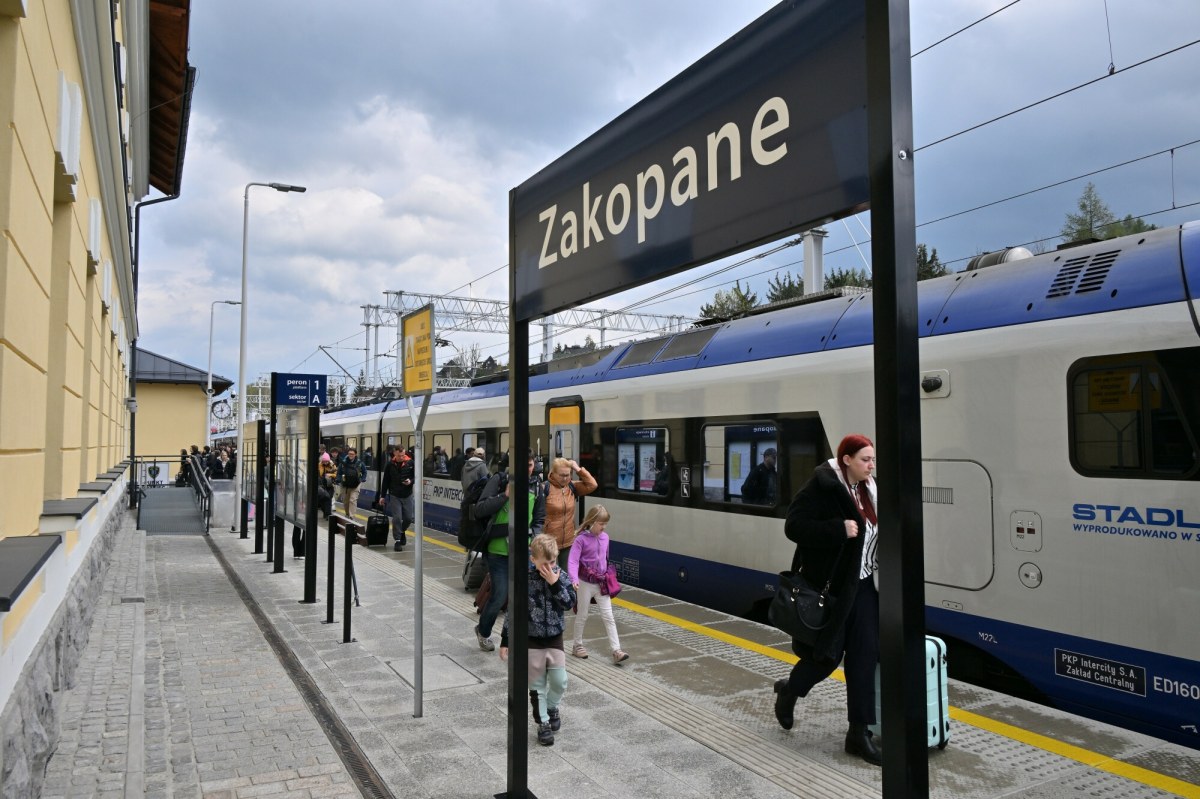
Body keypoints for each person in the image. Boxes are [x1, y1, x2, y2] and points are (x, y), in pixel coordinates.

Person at [772, 434, 881, 766]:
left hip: (864, 586)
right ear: (846, 459)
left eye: (873, 459)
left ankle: (858, 734)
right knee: (827, 657)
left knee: (864, 656)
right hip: (832, 589)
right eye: (865, 459)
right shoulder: (821, 486)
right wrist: (837, 528)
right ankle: (789, 691)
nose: (871, 465)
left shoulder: (870, 490)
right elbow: (794, 526)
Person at [499, 533, 575, 746]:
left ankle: (552, 707)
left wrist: (555, 584)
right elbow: (513, 610)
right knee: (537, 686)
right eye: (545, 563)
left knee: (560, 681)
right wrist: (506, 640)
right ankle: (543, 723)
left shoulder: (560, 576)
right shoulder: (525, 579)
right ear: (533, 560)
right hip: (531, 639)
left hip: (554, 638)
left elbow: (569, 604)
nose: (549, 567)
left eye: (553, 562)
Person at [473, 452, 545, 653]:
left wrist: (535, 539)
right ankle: (483, 630)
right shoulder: (499, 480)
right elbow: (480, 509)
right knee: (500, 595)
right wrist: (504, 496)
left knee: (525, 597)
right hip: (498, 551)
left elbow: (539, 519)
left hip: (524, 551)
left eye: (529, 464)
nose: (526, 468)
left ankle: (518, 637)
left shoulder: (538, 487)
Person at [567, 505, 628, 664]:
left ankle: (616, 650)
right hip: (585, 583)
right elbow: (573, 561)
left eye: (605, 524)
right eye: (601, 524)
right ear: (592, 522)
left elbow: (605, 559)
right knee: (582, 614)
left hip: (601, 582)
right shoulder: (581, 539)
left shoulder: (605, 538)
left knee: (609, 616)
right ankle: (577, 645)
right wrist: (574, 579)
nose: (604, 527)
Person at [544, 457, 597, 572]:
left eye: (568, 475)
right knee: (548, 576)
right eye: (562, 475)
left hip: (568, 541)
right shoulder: (545, 488)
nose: (565, 478)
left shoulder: (572, 487)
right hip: (548, 542)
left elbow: (592, 485)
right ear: (553, 473)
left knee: (568, 577)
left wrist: (578, 469)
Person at [378, 447, 415, 551]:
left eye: (403, 455)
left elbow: (416, 477)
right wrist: (382, 496)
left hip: (407, 494)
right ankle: (397, 541)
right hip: (394, 495)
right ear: (395, 453)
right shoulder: (390, 465)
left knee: (408, 518)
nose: (401, 457)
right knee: (397, 518)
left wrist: (410, 481)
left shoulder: (411, 463)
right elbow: (385, 481)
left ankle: (402, 531)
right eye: (399, 456)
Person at [338, 447, 366, 517]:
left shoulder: (360, 463)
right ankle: (347, 514)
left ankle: (351, 516)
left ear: (355, 454)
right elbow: (339, 472)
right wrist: (338, 479)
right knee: (346, 501)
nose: (351, 455)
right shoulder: (343, 463)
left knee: (352, 500)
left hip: (356, 484)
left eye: (352, 454)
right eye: (349, 454)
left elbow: (364, 472)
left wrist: (362, 479)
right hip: (345, 484)